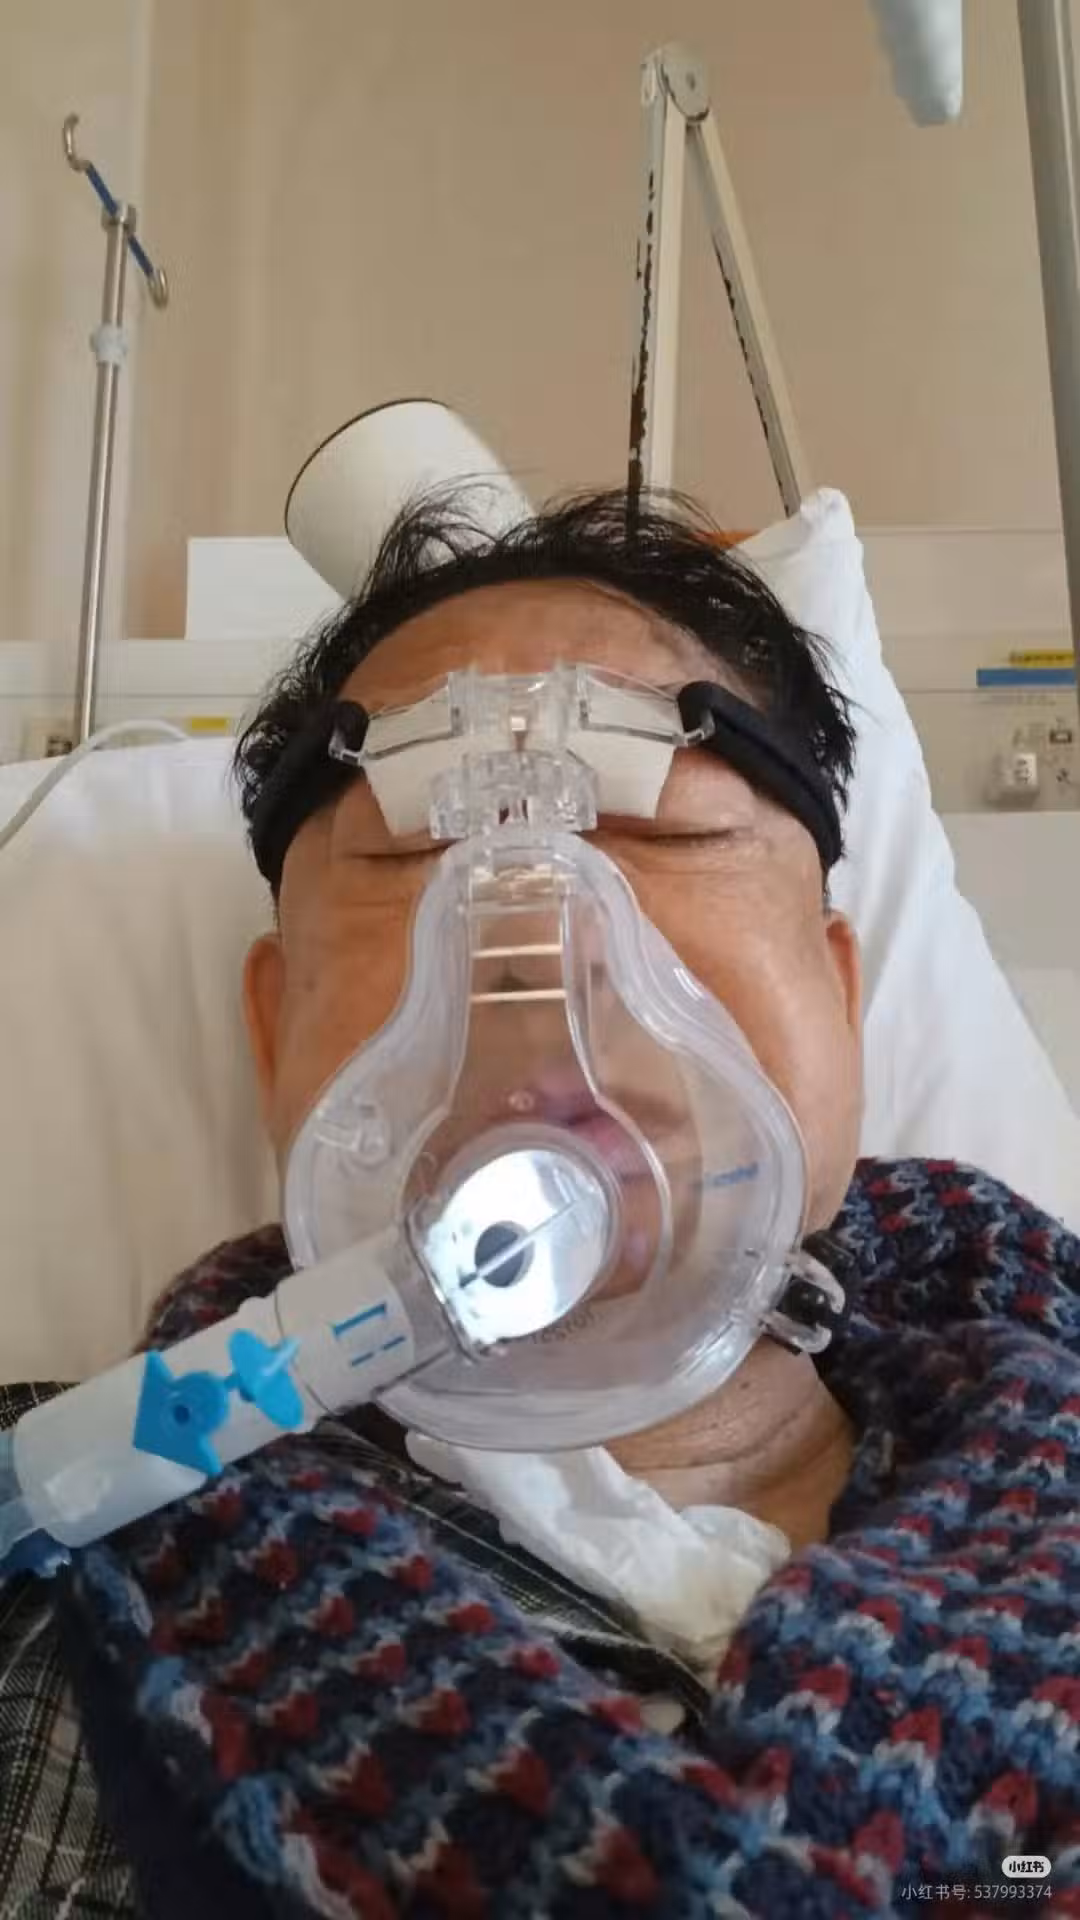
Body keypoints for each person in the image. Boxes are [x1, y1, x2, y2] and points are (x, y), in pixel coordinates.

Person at [2, 491, 1079, 1919]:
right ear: (276, 1037)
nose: (530, 937)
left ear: (839, 995)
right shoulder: (76, 1525)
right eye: (410, 856)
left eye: (658, 833)